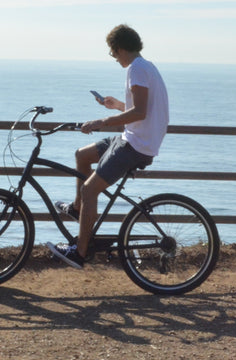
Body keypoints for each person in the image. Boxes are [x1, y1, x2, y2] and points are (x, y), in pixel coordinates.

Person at [47, 24, 169, 269]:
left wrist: (101, 122)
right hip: (131, 137)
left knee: (90, 190)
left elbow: (141, 111)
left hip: (136, 145)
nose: (113, 58)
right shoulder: (145, 67)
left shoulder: (137, 69)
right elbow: (141, 109)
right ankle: (78, 209)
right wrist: (116, 106)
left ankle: (79, 253)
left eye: (112, 53)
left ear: (120, 48)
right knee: (82, 155)